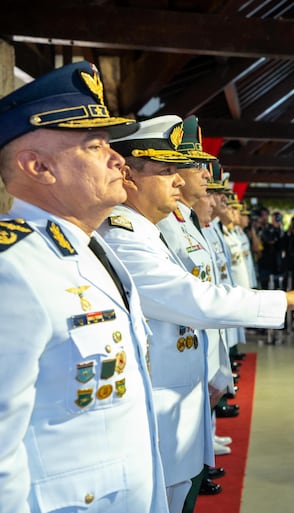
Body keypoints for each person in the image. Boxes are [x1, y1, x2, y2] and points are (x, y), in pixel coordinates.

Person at [99, 115, 294, 512]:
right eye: (167, 170)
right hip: (160, 405)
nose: (180, 179)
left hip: (181, 394)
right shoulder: (122, 235)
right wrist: (283, 301)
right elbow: (196, 299)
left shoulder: (148, 230)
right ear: (128, 174)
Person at [0, 61, 169, 513]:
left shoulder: (91, 249)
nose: (118, 159)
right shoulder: (13, 269)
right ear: (38, 166)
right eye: (94, 146)